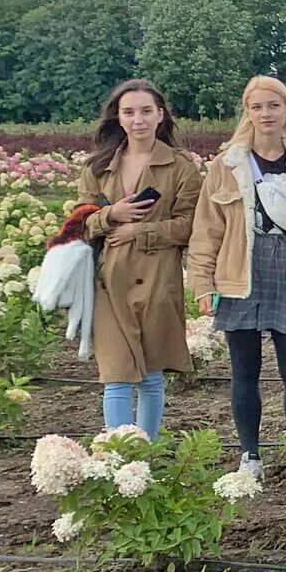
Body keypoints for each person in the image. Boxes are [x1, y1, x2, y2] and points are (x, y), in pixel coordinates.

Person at [187, 76, 286, 485]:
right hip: (240, 273)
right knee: (244, 372)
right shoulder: (226, 165)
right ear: (248, 113)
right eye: (257, 107)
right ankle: (249, 457)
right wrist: (203, 282)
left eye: (274, 106)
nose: (266, 114)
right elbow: (207, 230)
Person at [77, 79, 202, 440]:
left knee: (150, 375)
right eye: (129, 112)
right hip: (108, 282)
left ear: (160, 115)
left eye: (146, 111)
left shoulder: (180, 167)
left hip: (159, 280)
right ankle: (120, 452)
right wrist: (111, 215)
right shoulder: (97, 168)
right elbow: (79, 224)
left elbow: (192, 225)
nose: (138, 120)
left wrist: (140, 232)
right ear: (118, 117)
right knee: (115, 374)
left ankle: (147, 451)